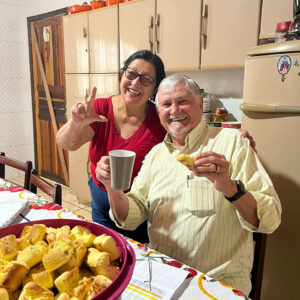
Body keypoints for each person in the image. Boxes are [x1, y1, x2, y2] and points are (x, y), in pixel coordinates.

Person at [95, 74, 282, 295]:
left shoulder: (232, 143)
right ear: (158, 112)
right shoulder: (156, 155)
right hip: (163, 276)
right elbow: (130, 217)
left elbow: (270, 219)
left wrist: (230, 187)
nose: (174, 110)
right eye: (166, 104)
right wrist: (112, 187)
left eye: (182, 101)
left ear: (200, 104)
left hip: (217, 283)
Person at [56, 50, 166, 243]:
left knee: (136, 259)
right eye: (130, 74)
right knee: (105, 255)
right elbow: (65, 143)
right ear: (122, 75)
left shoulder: (160, 121)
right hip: (101, 204)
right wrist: (75, 123)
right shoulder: (101, 109)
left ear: (155, 89)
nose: (135, 83)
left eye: (146, 79)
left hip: (139, 211)